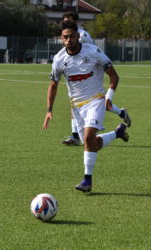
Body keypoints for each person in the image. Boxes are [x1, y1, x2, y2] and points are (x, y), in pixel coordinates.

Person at [43, 21, 130, 192]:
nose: (69, 40)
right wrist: (49, 110)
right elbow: (53, 85)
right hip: (77, 107)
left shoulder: (93, 51)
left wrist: (109, 97)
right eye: (65, 37)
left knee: (89, 136)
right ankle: (117, 133)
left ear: (77, 36)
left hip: (96, 100)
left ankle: (87, 180)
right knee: (91, 144)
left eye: (71, 36)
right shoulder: (59, 59)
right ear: (61, 39)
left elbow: (114, 75)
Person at [60, 11, 131, 146]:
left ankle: (75, 135)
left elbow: (89, 52)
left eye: (68, 20)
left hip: (90, 72)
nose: (66, 23)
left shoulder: (82, 35)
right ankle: (120, 116)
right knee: (77, 103)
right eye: (64, 20)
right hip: (75, 74)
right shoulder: (68, 34)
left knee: (95, 102)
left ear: (75, 21)